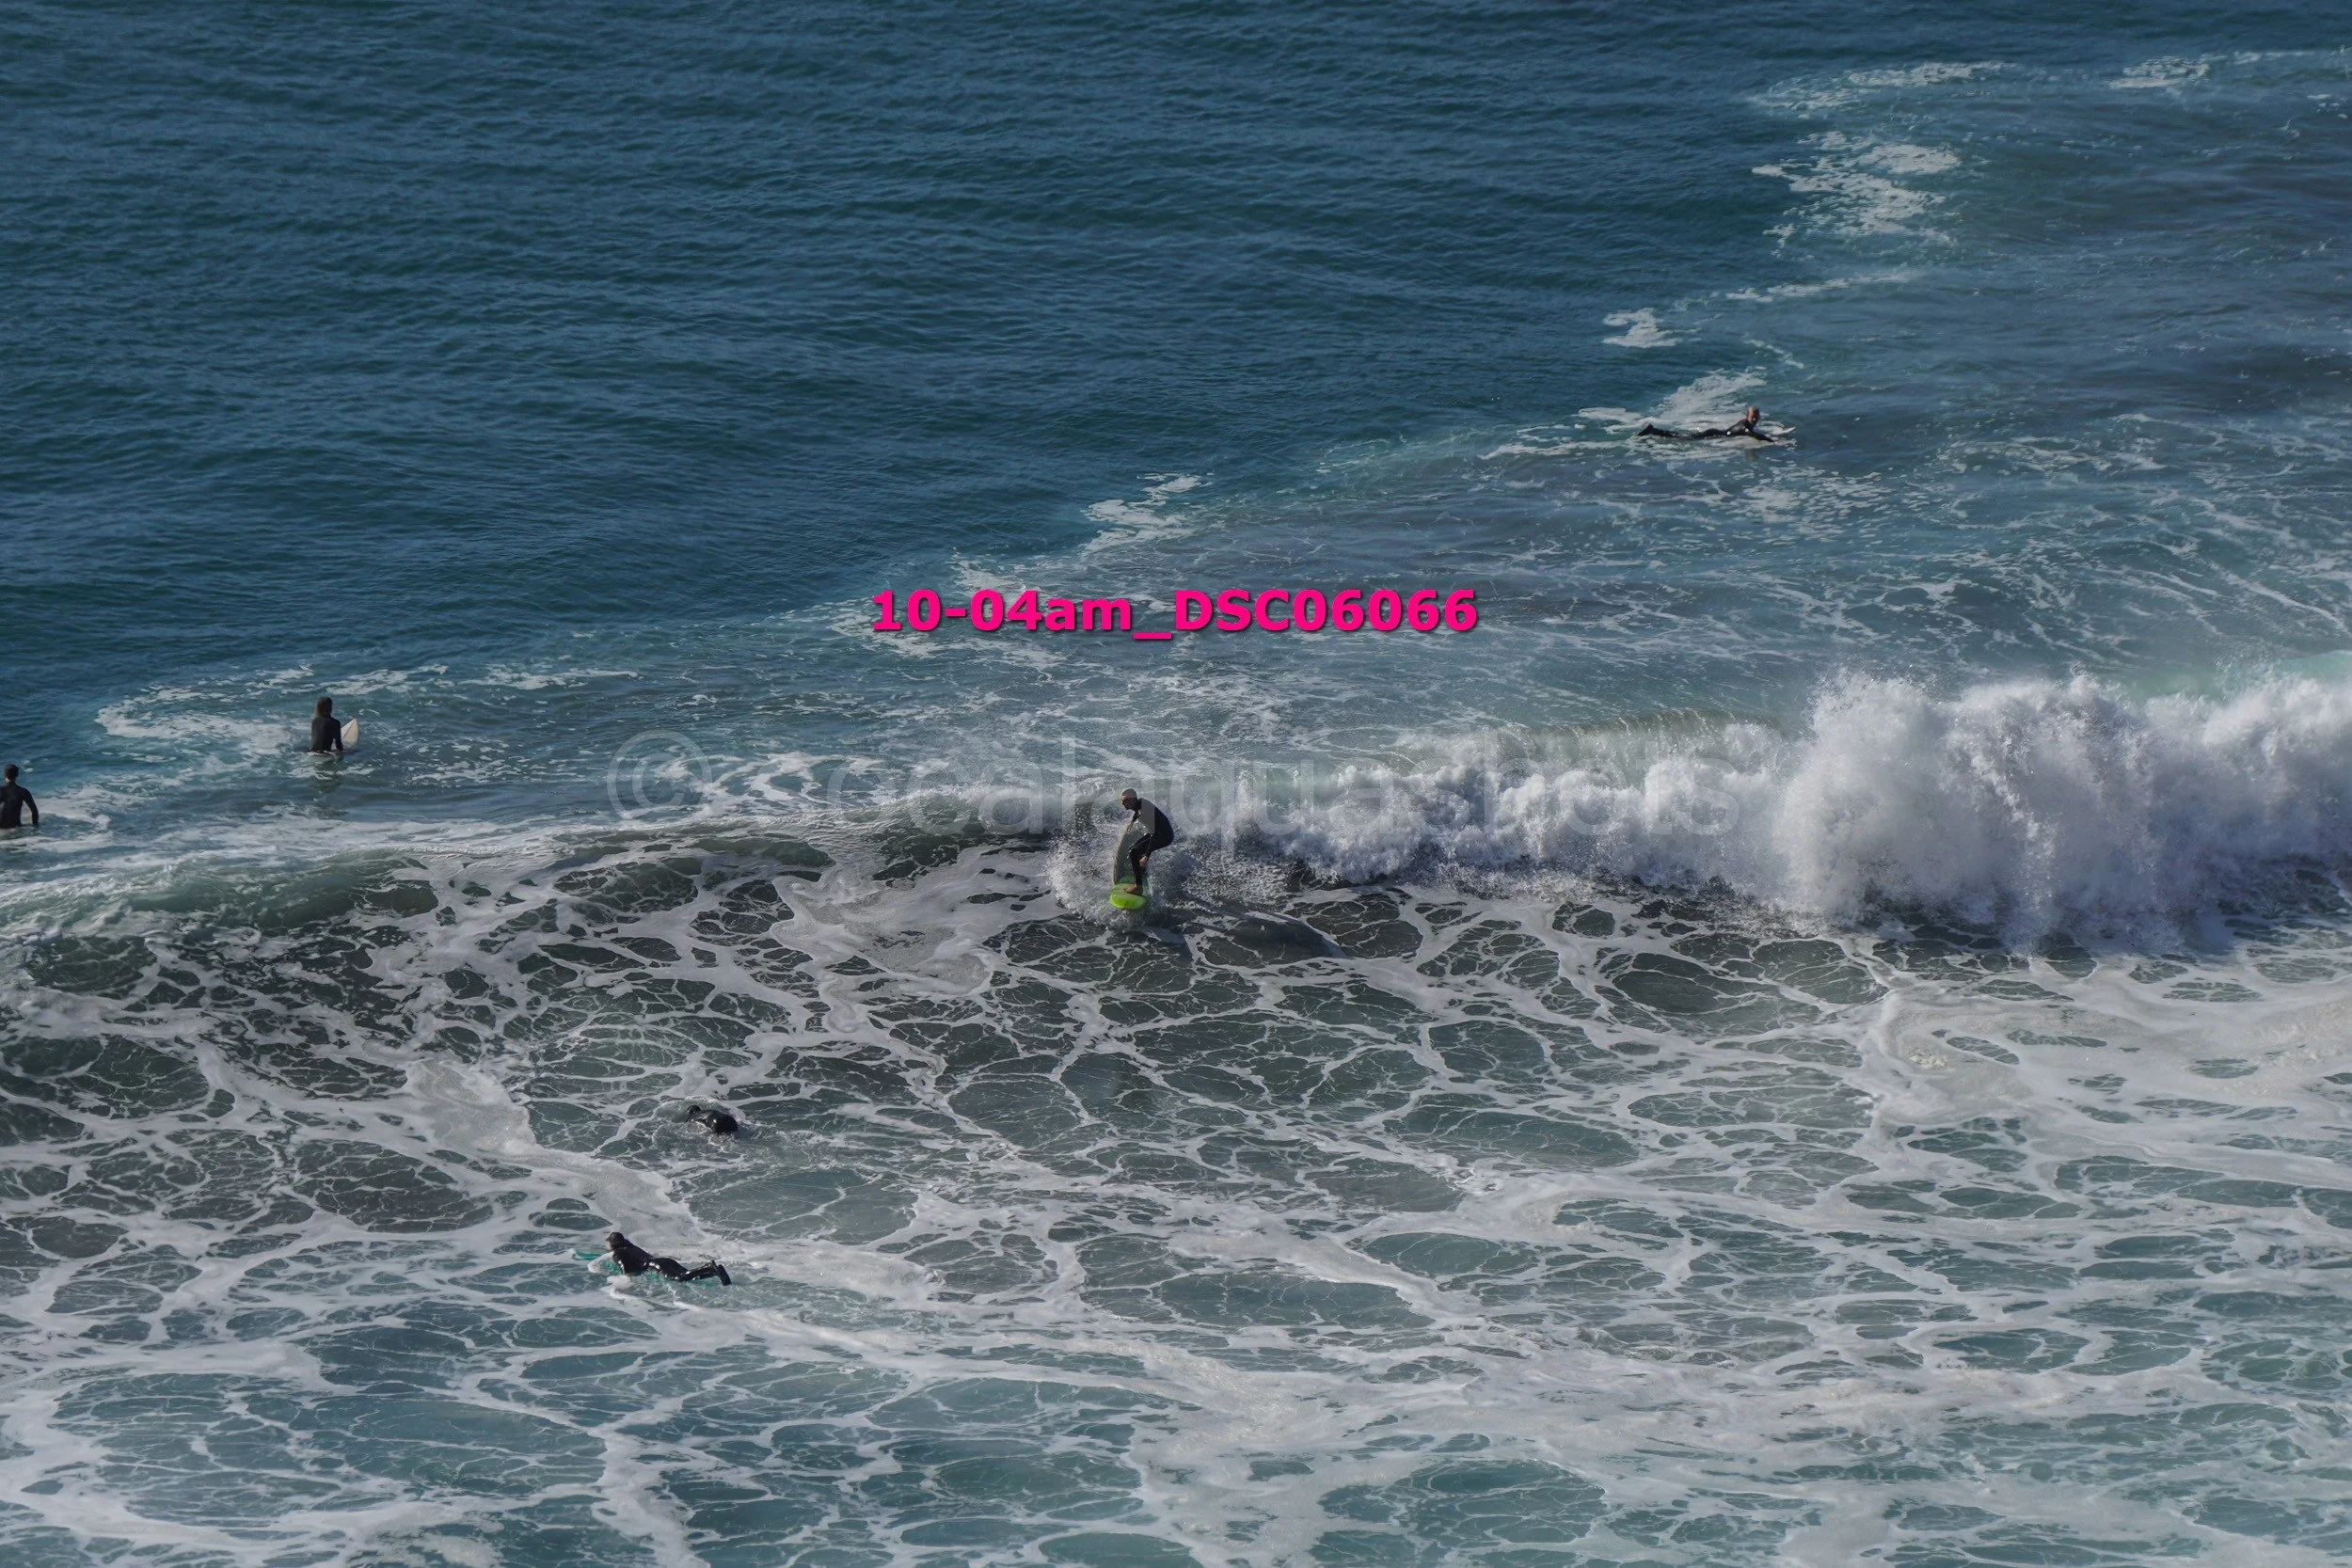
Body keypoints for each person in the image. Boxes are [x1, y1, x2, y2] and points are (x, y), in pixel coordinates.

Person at [606, 1230, 731, 1285]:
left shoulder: (618, 1253)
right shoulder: (631, 1247)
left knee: (680, 1278)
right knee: (689, 1276)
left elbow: (625, 1270)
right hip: (664, 1261)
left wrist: (624, 1281)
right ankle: (715, 1272)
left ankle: (709, 1267)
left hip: (656, 1265)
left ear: (613, 1243)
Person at [1118, 788, 1175, 889]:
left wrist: (1147, 856)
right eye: (1121, 800)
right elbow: (1137, 811)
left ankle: (1138, 887)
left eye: (1125, 801)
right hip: (1159, 832)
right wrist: (1132, 821)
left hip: (1164, 836)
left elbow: (1153, 834)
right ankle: (1141, 872)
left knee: (1133, 852)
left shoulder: (1144, 811)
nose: (1122, 803)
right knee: (1134, 848)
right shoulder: (1140, 803)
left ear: (1133, 800)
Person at [1639, 405, 1777, 442]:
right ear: (1747, 416)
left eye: (1757, 416)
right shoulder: (1745, 427)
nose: (1755, 419)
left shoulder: (1746, 423)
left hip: (1715, 433)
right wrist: (1772, 441)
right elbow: (1753, 435)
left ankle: (1655, 431)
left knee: (1684, 437)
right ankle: (1654, 431)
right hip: (1714, 434)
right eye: (1753, 416)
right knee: (1683, 439)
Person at [0, 765, 35, 831]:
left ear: (5, 775)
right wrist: (35, 829)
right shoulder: (23, 791)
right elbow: (34, 812)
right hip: (15, 827)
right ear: (17, 775)